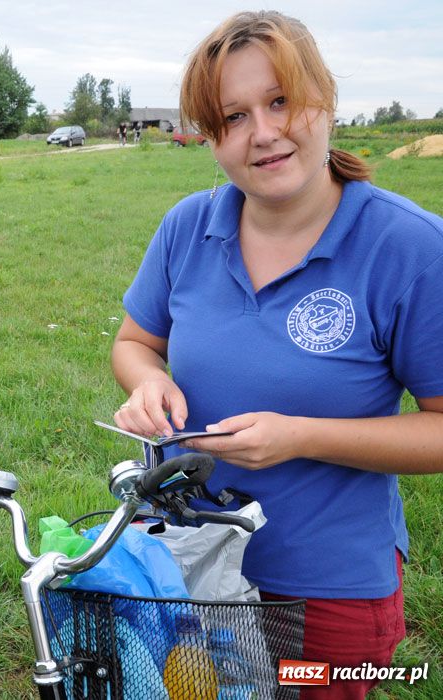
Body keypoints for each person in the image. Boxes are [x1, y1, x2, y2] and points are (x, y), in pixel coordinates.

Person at [110, 11, 443, 699]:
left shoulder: (410, 248)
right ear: (211, 136)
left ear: (324, 98)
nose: (261, 133)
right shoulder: (187, 228)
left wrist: (298, 438)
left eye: (280, 101)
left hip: (325, 591)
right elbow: (134, 342)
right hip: (186, 567)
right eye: (232, 117)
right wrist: (147, 382)